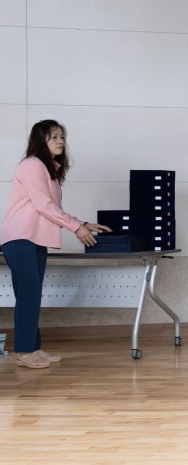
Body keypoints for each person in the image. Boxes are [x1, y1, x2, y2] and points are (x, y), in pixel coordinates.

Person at [1, 120, 111, 369]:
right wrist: (76, 227)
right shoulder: (31, 165)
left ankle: (32, 348)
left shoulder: (49, 169)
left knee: (31, 294)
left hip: (34, 238)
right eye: (54, 137)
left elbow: (53, 208)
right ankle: (25, 351)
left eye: (62, 137)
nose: (60, 141)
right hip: (20, 237)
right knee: (28, 293)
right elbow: (44, 206)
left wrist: (82, 223)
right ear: (41, 140)